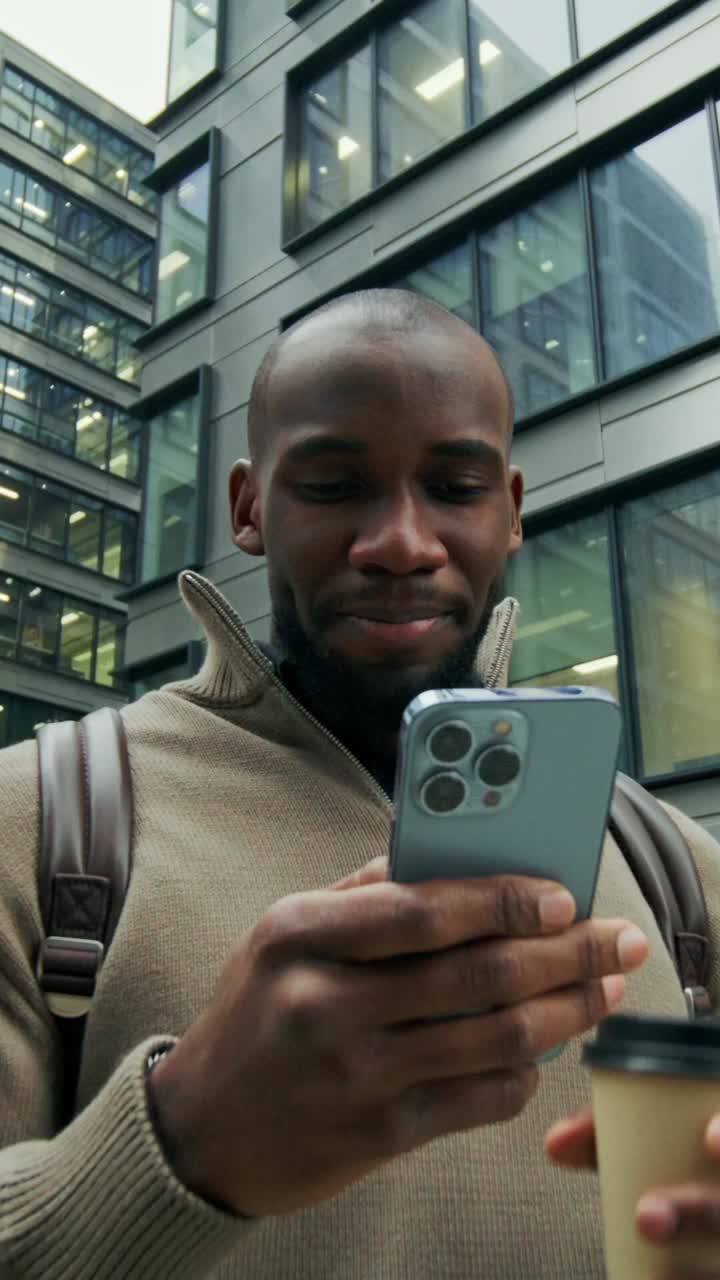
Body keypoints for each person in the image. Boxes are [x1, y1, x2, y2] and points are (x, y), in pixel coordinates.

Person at [1, 288, 719, 1280]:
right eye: (336, 486)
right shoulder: (36, 820)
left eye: (457, 488)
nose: (400, 543)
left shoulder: (675, 861)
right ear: (249, 508)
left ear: (512, 511)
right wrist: (181, 1140)